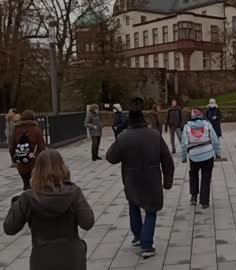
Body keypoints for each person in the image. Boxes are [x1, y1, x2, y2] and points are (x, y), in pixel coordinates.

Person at [3, 149, 94, 270]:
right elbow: (87, 223)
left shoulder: (28, 197)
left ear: (36, 170)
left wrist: (16, 203)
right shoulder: (74, 192)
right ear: (62, 168)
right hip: (72, 257)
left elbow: (10, 228)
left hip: (42, 259)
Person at [106, 97, 174, 258]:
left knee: (134, 206)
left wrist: (119, 141)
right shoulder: (154, 135)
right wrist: (168, 181)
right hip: (151, 179)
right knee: (151, 211)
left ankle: (138, 236)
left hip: (131, 179)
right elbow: (167, 160)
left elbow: (111, 157)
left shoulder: (124, 137)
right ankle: (147, 245)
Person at [181, 108, 221, 209]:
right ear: (201, 115)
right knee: (206, 177)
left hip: (194, 156)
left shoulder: (187, 127)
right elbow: (215, 139)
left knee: (193, 174)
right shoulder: (207, 124)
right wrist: (218, 153)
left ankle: (194, 196)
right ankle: (204, 202)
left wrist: (183, 157)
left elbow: (184, 144)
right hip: (208, 154)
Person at [9, 110, 47, 190]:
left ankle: (25, 198)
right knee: (36, 185)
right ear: (33, 118)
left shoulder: (16, 130)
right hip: (34, 162)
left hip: (21, 163)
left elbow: (11, 148)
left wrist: (15, 159)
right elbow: (42, 147)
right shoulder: (36, 130)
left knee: (26, 184)